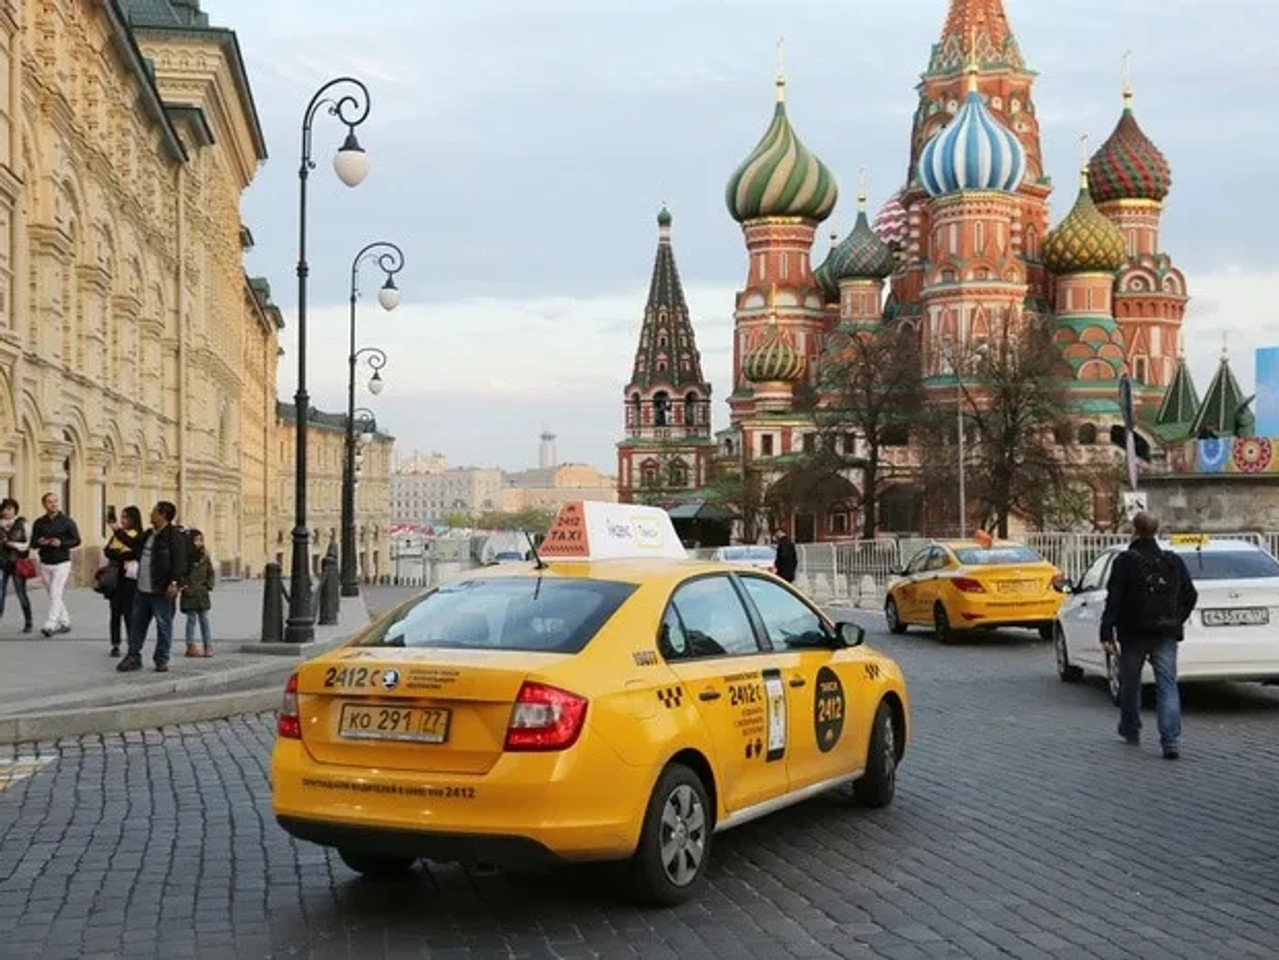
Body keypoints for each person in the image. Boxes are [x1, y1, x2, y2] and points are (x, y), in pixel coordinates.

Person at [1100, 511, 1198, 760]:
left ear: (1134, 529)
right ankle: (1170, 740)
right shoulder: (1172, 561)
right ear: (1157, 530)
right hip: (1166, 632)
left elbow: (1115, 597)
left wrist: (1107, 630)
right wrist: (1176, 621)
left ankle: (1131, 728)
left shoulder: (1125, 561)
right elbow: (1190, 595)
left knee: (1130, 683)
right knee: (1167, 685)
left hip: (1133, 633)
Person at [116, 501, 190, 674]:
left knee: (164, 626)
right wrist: (116, 530)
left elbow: (180, 562)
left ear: (163, 515)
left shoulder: (174, 536)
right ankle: (133, 656)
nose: (150, 514)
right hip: (143, 589)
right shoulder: (149, 534)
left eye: (154, 511)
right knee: (137, 625)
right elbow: (134, 545)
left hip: (161, 590)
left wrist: (174, 583)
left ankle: (161, 659)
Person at [30, 492, 81, 637]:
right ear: (44, 504)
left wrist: (61, 543)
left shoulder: (67, 521)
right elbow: (33, 543)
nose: (53, 504)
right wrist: (39, 542)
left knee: (55, 592)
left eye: (55, 501)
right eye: (49, 502)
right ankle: (65, 622)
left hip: (62, 562)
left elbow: (77, 540)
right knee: (53, 595)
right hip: (45, 562)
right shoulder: (39, 522)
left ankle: (50, 625)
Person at [103, 506, 144, 658]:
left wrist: (121, 555)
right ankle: (115, 644)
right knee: (114, 614)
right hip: (115, 579)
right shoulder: (118, 535)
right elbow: (107, 551)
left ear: (134, 519)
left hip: (130, 580)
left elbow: (134, 552)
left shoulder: (138, 535)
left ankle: (132, 644)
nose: (123, 520)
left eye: (126, 517)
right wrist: (121, 554)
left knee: (129, 614)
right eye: (122, 517)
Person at [180, 529, 216, 658]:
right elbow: (181, 573)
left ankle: (208, 645)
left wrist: (209, 586)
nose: (199, 542)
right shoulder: (185, 557)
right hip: (189, 592)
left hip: (202, 592)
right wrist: (184, 586)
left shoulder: (205, 555)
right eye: (196, 540)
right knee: (191, 619)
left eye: (201, 540)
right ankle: (190, 646)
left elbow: (211, 572)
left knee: (204, 619)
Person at [0, 498, 33, 633]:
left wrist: (13, 544)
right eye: (5, 509)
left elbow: (28, 544)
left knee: (21, 593)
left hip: (17, 563)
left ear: (15, 510)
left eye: (10, 509)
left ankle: (28, 621)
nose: (7, 512)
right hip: (1, 563)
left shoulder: (23, 524)